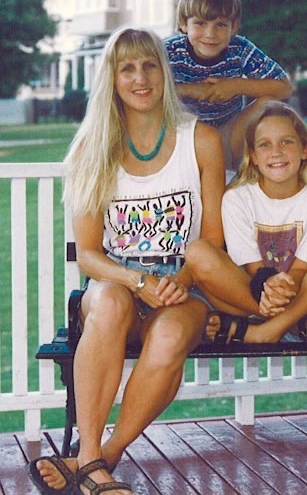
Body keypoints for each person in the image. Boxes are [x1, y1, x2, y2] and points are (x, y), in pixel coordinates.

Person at [28, 26, 225, 495]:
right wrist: (138, 281)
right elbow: (90, 257)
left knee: (173, 332)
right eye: (127, 68)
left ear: (164, 73)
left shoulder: (201, 140)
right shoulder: (90, 153)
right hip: (115, 285)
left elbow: (213, 237)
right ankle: (93, 453)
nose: (140, 78)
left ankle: (97, 460)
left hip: (185, 287)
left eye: (150, 65)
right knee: (112, 303)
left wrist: (181, 278)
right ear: (111, 79)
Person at [185, 101, 307, 344]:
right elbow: (256, 272)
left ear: (305, 150)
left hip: (302, 287)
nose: (276, 152)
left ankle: (264, 329)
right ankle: (291, 322)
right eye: (264, 144)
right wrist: (271, 291)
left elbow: (301, 271)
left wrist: (283, 290)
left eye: (287, 142)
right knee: (197, 252)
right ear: (253, 157)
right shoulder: (237, 199)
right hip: (254, 291)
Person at [165, 0, 293, 171]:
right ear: (184, 24)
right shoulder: (169, 52)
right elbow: (148, 89)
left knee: (268, 102)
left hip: (228, 137)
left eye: (221, 25)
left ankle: (234, 171)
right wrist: (188, 90)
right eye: (200, 23)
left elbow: (284, 86)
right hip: (183, 141)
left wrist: (235, 86)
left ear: (234, 26)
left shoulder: (239, 48)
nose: (210, 33)